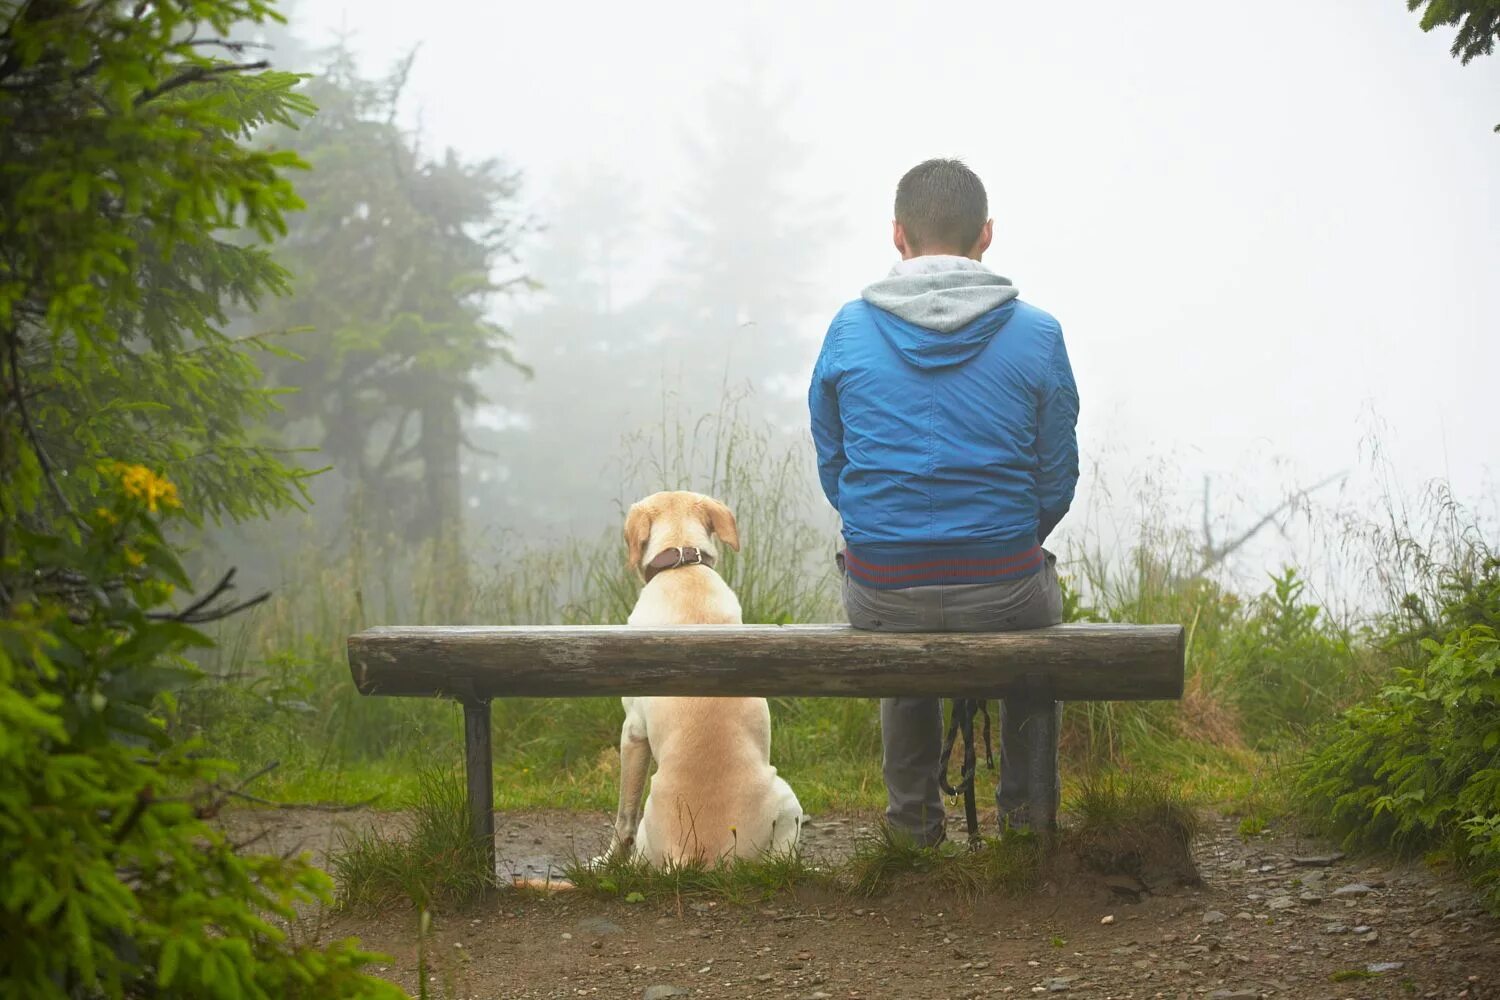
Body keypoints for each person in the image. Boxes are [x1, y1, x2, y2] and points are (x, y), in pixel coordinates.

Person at [807, 158, 1080, 845]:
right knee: (1032, 624)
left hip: (882, 589)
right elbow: (1057, 478)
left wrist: (887, 529)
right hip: (1005, 589)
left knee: (898, 621)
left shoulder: (847, 330)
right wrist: (1005, 538)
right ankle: (1025, 826)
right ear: (985, 235)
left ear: (898, 236)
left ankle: (912, 830)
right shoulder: (1038, 334)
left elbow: (834, 460)